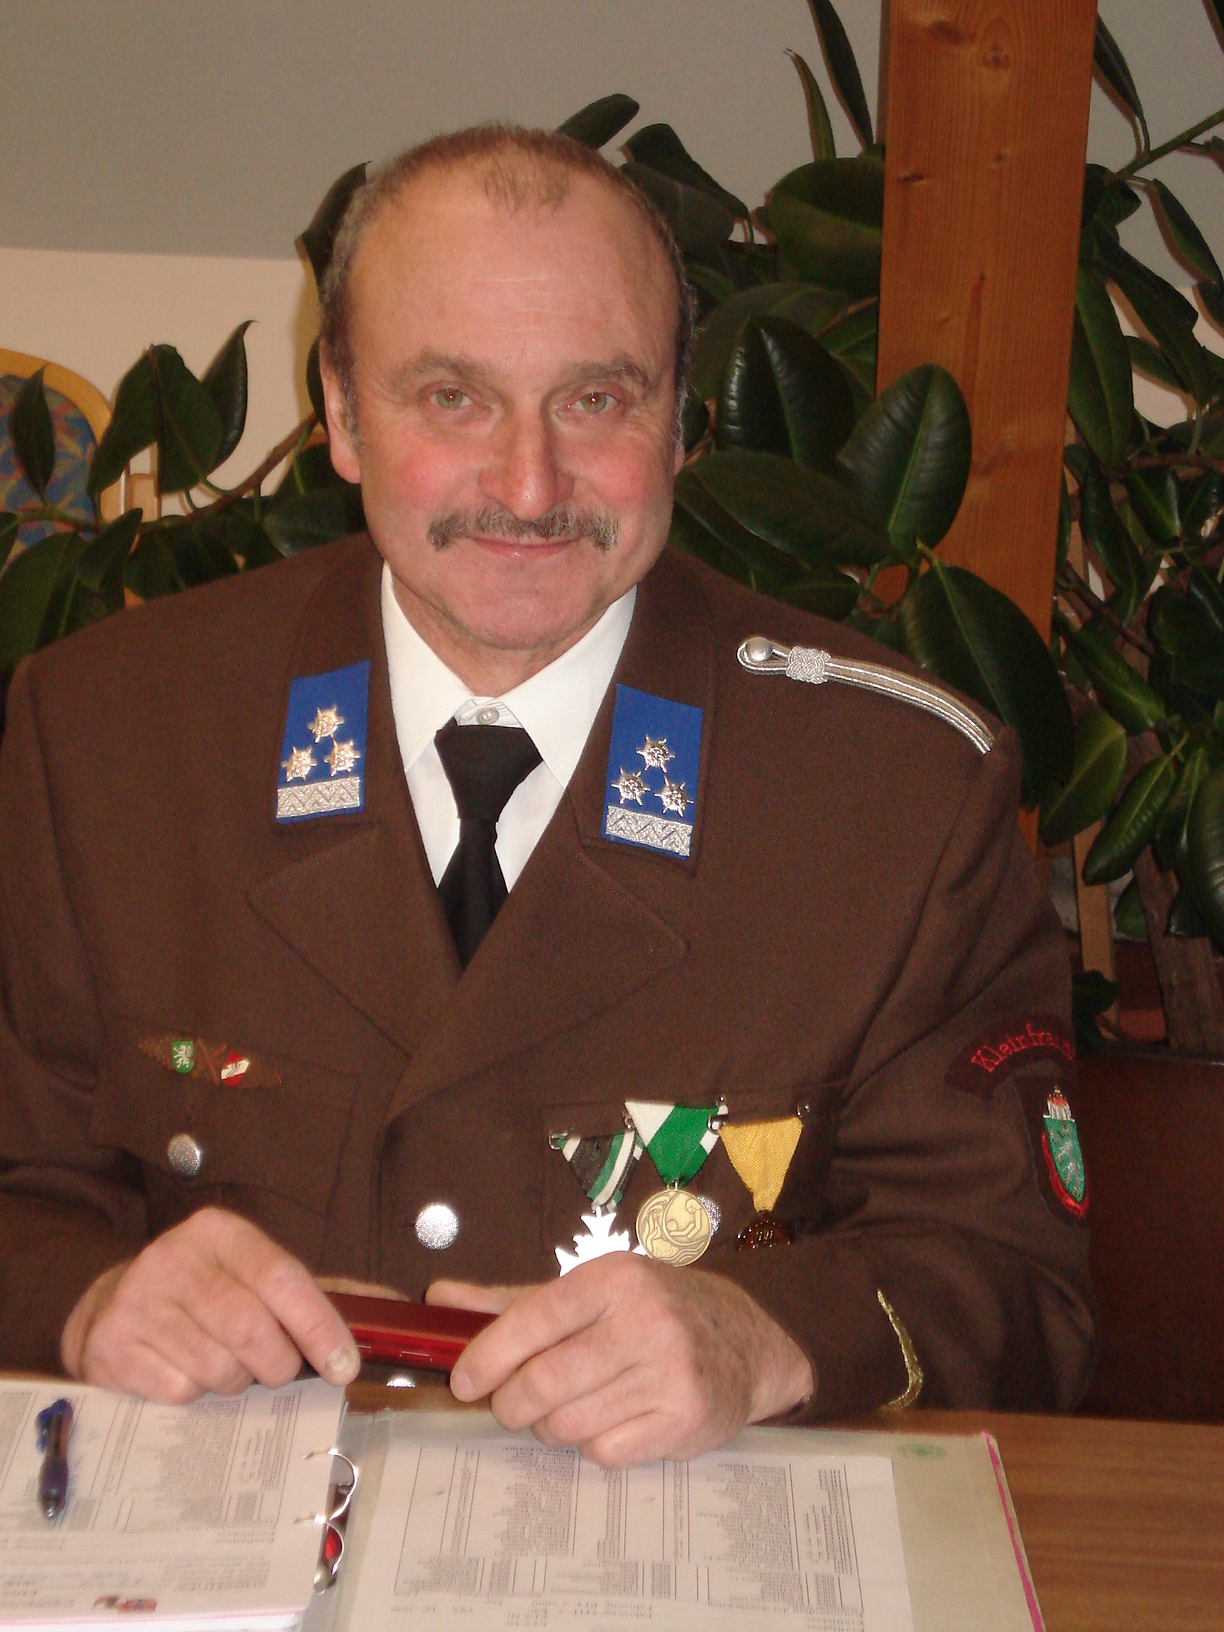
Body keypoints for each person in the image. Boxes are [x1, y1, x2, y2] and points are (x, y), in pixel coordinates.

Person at [0, 126, 1093, 1469]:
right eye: (452, 397)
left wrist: (766, 1337)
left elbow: (1018, 1286)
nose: (528, 488)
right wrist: (92, 1297)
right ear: (342, 411)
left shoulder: (895, 796)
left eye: (596, 401)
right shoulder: (107, 738)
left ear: (680, 420)